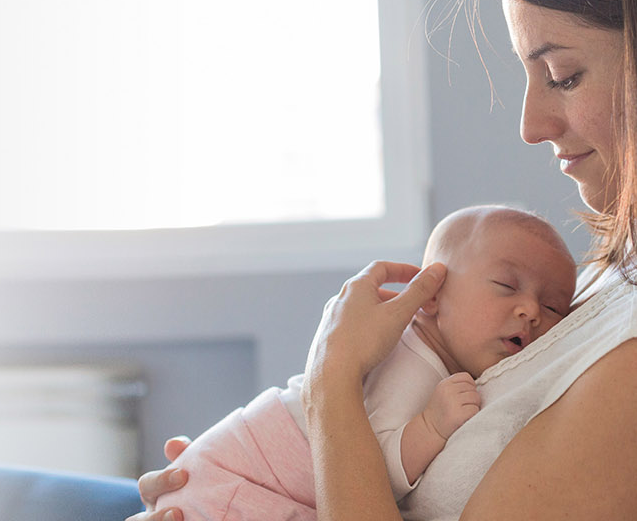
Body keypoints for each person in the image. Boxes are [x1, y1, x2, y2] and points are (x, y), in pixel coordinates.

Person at [134, 0, 637, 519]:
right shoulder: (624, 275)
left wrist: (332, 391)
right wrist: (236, 480)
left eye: (563, 75)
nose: (531, 125)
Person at [151, 206, 577, 520]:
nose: (531, 311)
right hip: (238, 482)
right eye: (507, 285)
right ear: (431, 295)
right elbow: (366, 472)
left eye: (554, 306)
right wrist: (431, 426)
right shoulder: (414, 361)